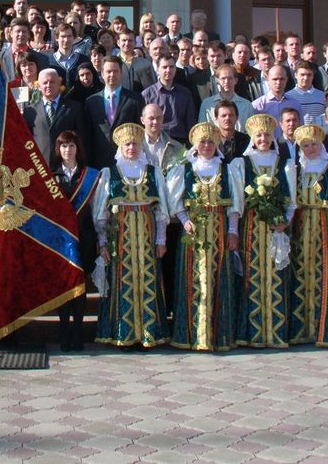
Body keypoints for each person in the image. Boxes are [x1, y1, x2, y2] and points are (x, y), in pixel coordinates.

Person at [93, 123, 175, 348]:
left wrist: (161, 239)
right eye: (128, 144)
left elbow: (161, 210)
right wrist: (103, 242)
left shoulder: (152, 172)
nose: (132, 148)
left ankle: (149, 332)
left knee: (147, 278)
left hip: (147, 235)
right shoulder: (110, 172)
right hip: (121, 237)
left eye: (136, 144)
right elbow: (101, 213)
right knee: (122, 280)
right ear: (121, 146)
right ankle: (124, 332)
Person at [168, 122, 243, 351]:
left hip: (219, 229)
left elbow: (234, 203)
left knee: (219, 277)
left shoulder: (227, 169)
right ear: (195, 145)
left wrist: (232, 231)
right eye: (203, 142)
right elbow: (176, 200)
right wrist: (185, 220)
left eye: (211, 141)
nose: (207, 145)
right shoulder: (185, 169)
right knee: (194, 278)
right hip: (195, 233)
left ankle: (217, 335)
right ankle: (193, 334)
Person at [289, 124, 328, 346]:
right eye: (305, 145)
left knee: (325, 273)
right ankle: (303, 328)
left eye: (314, 144)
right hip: (302, 226)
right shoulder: (297, 169)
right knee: (301, 272)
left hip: (324, 224)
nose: (310, 148)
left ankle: (325, 329)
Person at [238, 114, 295, 348]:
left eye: (267, 135)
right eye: (258, 135)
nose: (263, 139)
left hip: (275, 228)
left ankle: (276, 330)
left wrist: (285, 222)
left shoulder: (283, 163)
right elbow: (238, 200)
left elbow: (291, 200)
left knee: (276, 275)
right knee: (252, 276)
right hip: (252, 227)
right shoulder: (242, 163)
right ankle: (253, 332)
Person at [50, 130, 103, 352]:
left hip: (83, 236)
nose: (67, 150)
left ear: (77, 149)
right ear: (58, 150)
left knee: (80, 286)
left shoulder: (90, 175)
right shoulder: (51, 176)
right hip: (62, 239)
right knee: (64, 286)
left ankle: (78, 333)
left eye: (71, 146)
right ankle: (64, 331)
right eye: (63, 146)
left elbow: (96, 209)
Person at [84, 57, 146, 168]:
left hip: (128, 162)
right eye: (108, 71)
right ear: (102, 74)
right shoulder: (91, 102)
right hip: (99, 162)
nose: (112, 75)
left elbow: (140, 132)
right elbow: (88, 136)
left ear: (121, 73)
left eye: (115, 71)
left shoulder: (136, 99)